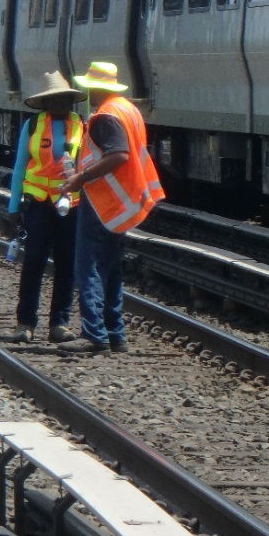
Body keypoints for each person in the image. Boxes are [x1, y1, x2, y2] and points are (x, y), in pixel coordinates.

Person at [57, 61, 165, 354]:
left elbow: (119, 155)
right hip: (123, 200)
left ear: (98, 87)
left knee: (88, 265)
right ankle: (115, 334)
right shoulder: (127, 109)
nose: (87, 90)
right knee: (111, 267)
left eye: (90, 85)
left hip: (104, 200)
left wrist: (80, 177)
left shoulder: (105, 115)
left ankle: (94, 334)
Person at [6, 71, 86, 344]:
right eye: (54, 100)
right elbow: (20, 167)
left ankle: (59, 324)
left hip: (70, 205)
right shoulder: (32, 125)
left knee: (67, 264)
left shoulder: (81, 125)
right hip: (38, 204)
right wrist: (13, 206)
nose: (60, 105)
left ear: (70, 101)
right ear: (45, 103)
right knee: (34, 261)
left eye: (64, 99)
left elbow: (86, 166)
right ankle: (25, 323)